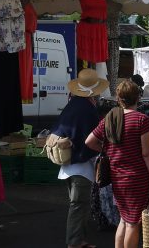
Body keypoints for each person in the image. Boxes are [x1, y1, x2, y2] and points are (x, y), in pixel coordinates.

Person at [84, 81, 149, 248]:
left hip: (117, 177)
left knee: (124, 220)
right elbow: (147, 153)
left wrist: (107, 151)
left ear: (118, 98)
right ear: (138, 98)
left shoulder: (110, 119)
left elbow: (89, 141)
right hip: (137, 178)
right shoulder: (142, 120)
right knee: (133, 223)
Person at [54, 69, 106, 248]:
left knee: (79, 204)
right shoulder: (87, 109)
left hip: (69, 163)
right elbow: (90, 140)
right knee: (78, 205)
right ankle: (74, 242)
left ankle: (79, 240)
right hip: (80, 166)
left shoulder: (73, 104)